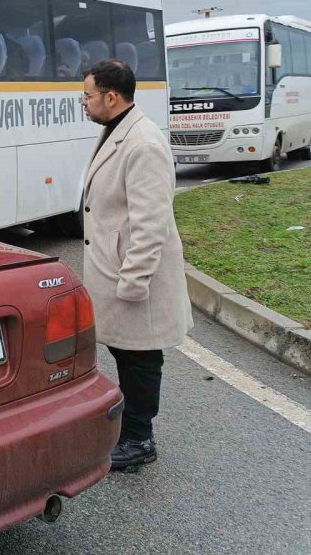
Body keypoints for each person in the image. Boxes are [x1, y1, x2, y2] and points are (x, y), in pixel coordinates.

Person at [79, 59, 193, 471]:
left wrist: (132, 283)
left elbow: (151, 223)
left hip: (133, 276)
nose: (84, 103)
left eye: (88, 96)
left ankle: (140, 439)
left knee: (140, 357)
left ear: (111, 96)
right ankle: (130, 426)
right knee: (128, 354)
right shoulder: (118, 129)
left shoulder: (142, 142)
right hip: (117, 266)